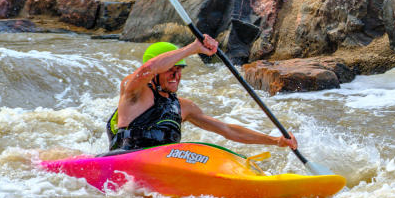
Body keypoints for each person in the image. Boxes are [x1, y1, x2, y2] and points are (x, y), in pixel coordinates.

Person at [106, 37, 298, 153]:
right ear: (156, 73)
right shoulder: (133, 92)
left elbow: (228, 130)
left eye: (180, 69)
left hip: (162, 166)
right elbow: (149, 67)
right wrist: (193, 48)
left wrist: (275, 141)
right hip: (123, 161)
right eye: (170, 69)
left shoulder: (185, 107)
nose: (176, 75)